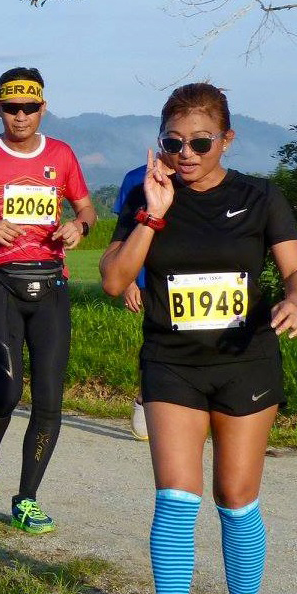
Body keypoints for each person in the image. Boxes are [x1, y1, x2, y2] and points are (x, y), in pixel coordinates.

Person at [100, 82, 297, 594]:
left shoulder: (259, 197)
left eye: (200, 142)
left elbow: (295, 268)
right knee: (175, 497)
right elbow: (115, 282)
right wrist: (152, 215)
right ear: (160, 141)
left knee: (236, 499)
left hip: (246, 362)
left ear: (226, 139)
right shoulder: (145, 195)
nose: (186, 154)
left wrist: (296, 301)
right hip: (172, 364)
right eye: (174, 142)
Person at [0, 67, 96, 535]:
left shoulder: (63, 155)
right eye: (12, 107)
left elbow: (86, 207)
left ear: (43, 108)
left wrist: (80, 226)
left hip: (51, 283)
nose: (21, 115)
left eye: (30, 107)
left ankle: (27, 498)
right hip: (0, 282)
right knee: (7, 390)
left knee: (50, 399)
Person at [114, 147, 177, 440]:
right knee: (153, 340)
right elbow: (123, 235)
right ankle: (144, 398)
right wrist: (129, 282)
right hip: (147, 276)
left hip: (184, 277)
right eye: (173, 141)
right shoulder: (134, 179)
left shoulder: (198, 178)